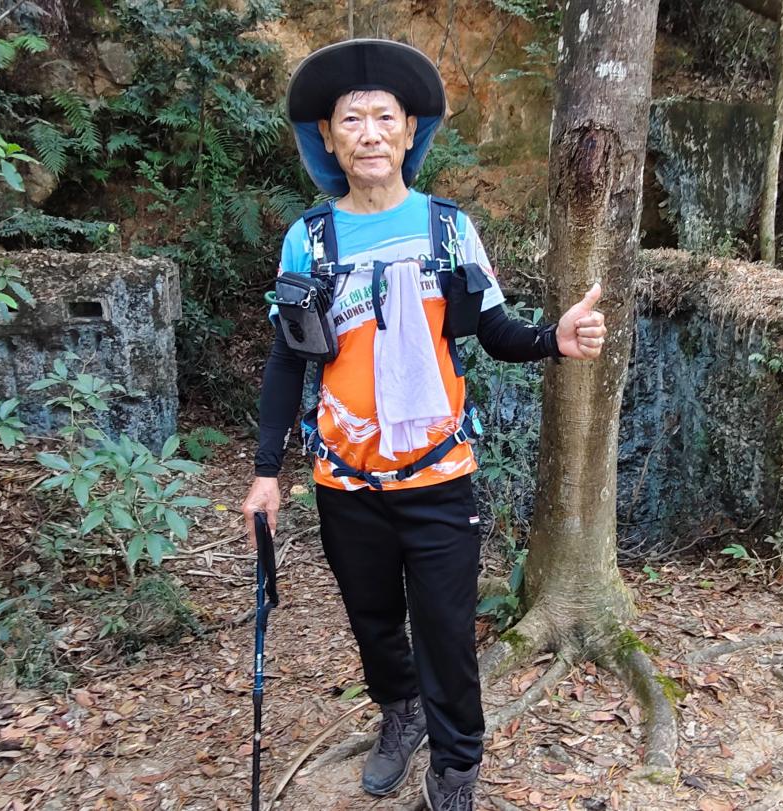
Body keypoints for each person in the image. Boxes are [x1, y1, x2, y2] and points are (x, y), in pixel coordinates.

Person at [241, 39, 608, 811]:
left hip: (439, 476)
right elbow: (286, 358)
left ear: (410, 132)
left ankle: (456, 767)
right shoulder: (310, 239)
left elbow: (494, 331)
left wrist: (555, 338)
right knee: (374, 622)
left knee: (445, 630)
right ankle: (400, 710)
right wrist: (266, 472)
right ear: (328, 138)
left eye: (385, 117)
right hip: (345, 479)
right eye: (352, 120)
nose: (370, 133)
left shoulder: (448, 229)